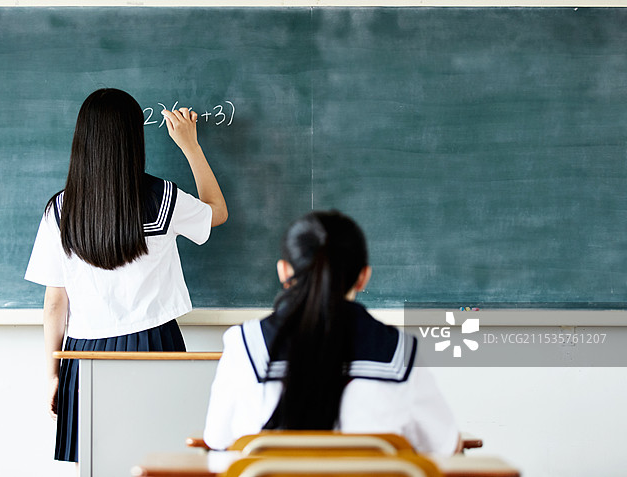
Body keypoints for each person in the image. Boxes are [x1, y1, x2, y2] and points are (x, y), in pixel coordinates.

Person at [25, 88, 228, 463]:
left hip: (82, 354)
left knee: (96, 464)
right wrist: (190, 146)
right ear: (135, 138)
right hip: (155, 345)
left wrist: (53, 372)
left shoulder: (60, 209)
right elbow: (217, 211)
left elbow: (55, 302)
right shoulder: (163, 198)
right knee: (159, 460)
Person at [202, 210, 459, 455]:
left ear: (283, 271)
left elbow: (218, 439)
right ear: (363, 277)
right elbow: (445, 445)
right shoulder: (399, 353)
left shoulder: (245, 344)